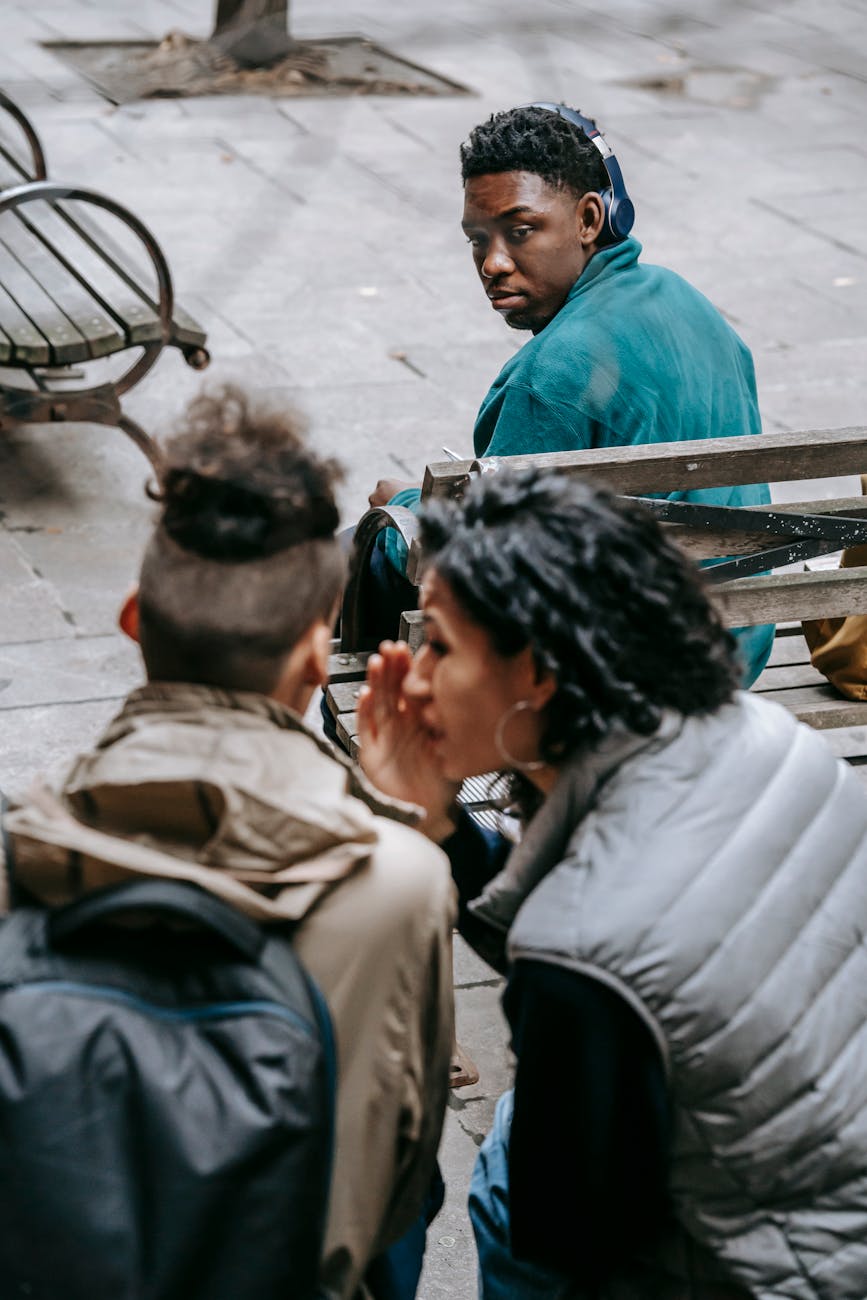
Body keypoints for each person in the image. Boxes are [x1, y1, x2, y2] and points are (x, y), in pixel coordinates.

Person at [358, 464, 867, 1300]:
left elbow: (573, 1236)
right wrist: (439, 823)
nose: (413, 675)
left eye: (441, 646)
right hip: (820, 1168)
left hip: (756, 1267)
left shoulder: (582, 951)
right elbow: (600, 931)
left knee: (507, 1190)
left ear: (540, 674)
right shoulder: (757, 731)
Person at [0, 387, 456, 1300]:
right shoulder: (399, 882)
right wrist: (394, 814)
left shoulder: (22, 854)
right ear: (309, 658)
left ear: (136, 619)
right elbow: (400, 1182)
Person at [367, 103, 774, 686]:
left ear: (588, 220)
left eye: (521, 230)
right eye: (477, 240)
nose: (493, 263)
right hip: (738, 643)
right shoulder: (687, 300)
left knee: (363, 553)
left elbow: (487, 575)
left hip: (628, 677)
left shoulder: (550, 378)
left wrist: (404, 504)